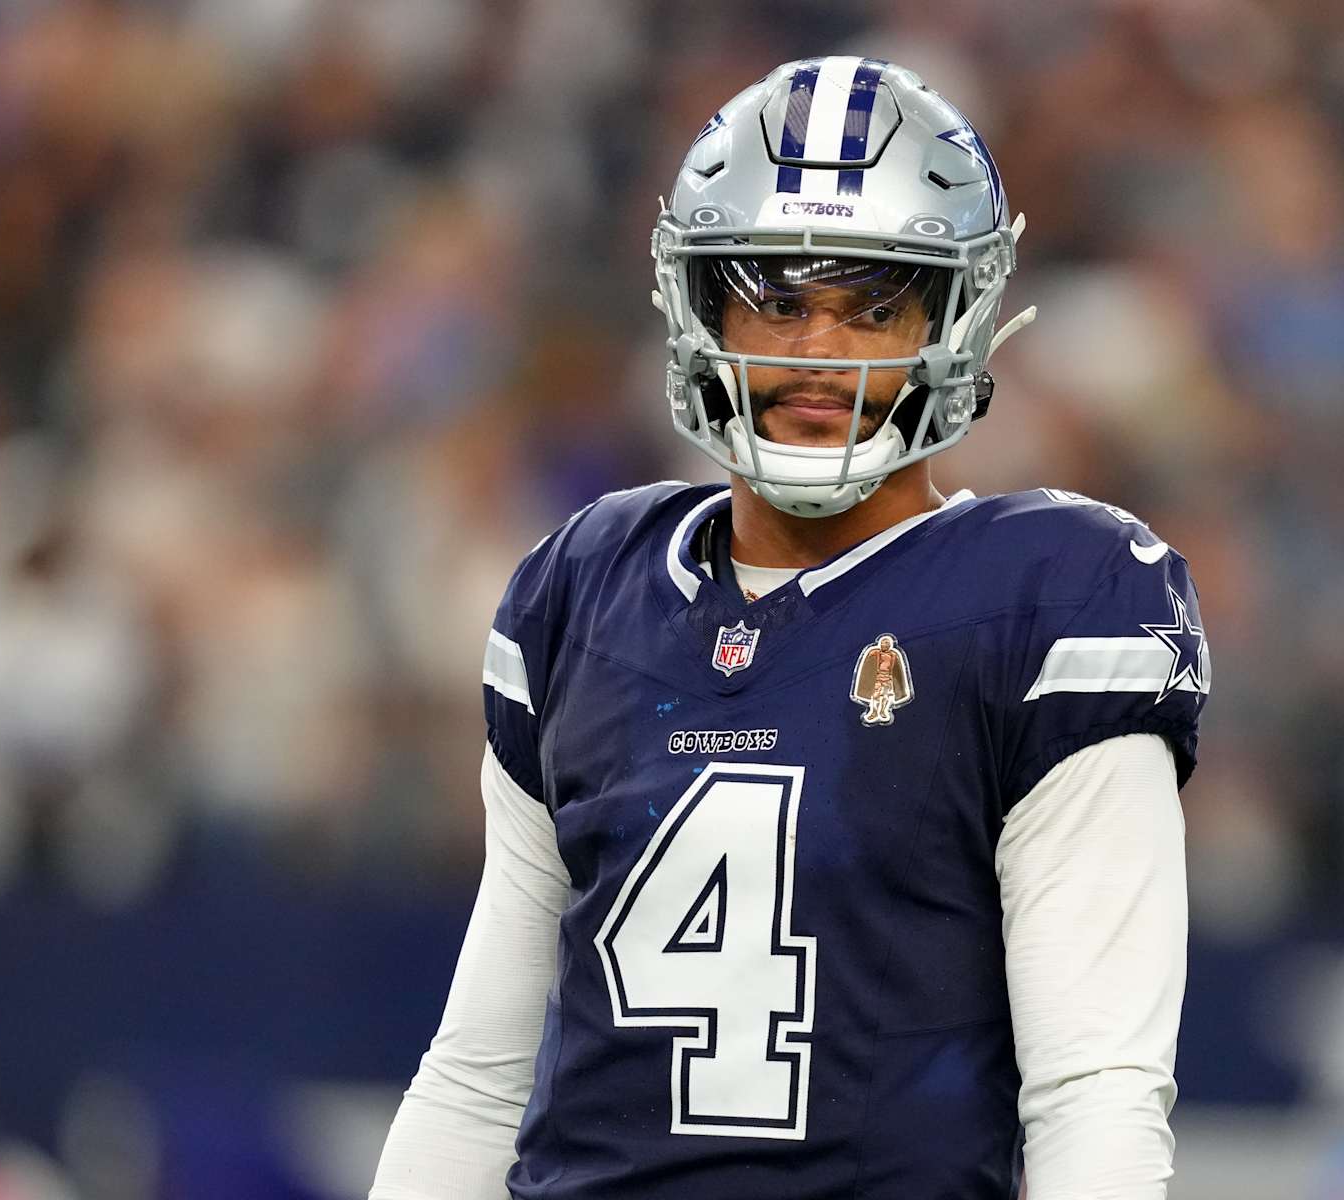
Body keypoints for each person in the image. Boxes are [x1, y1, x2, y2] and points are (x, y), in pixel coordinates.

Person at [371, 57, 1208, 1200]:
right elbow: (476, 1076)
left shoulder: (1048, 601)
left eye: (874, 305)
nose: (818, 352)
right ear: (699, 303)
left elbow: (1096, 1091)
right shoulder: (586, 591)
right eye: (776, 298)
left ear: (953, 318)